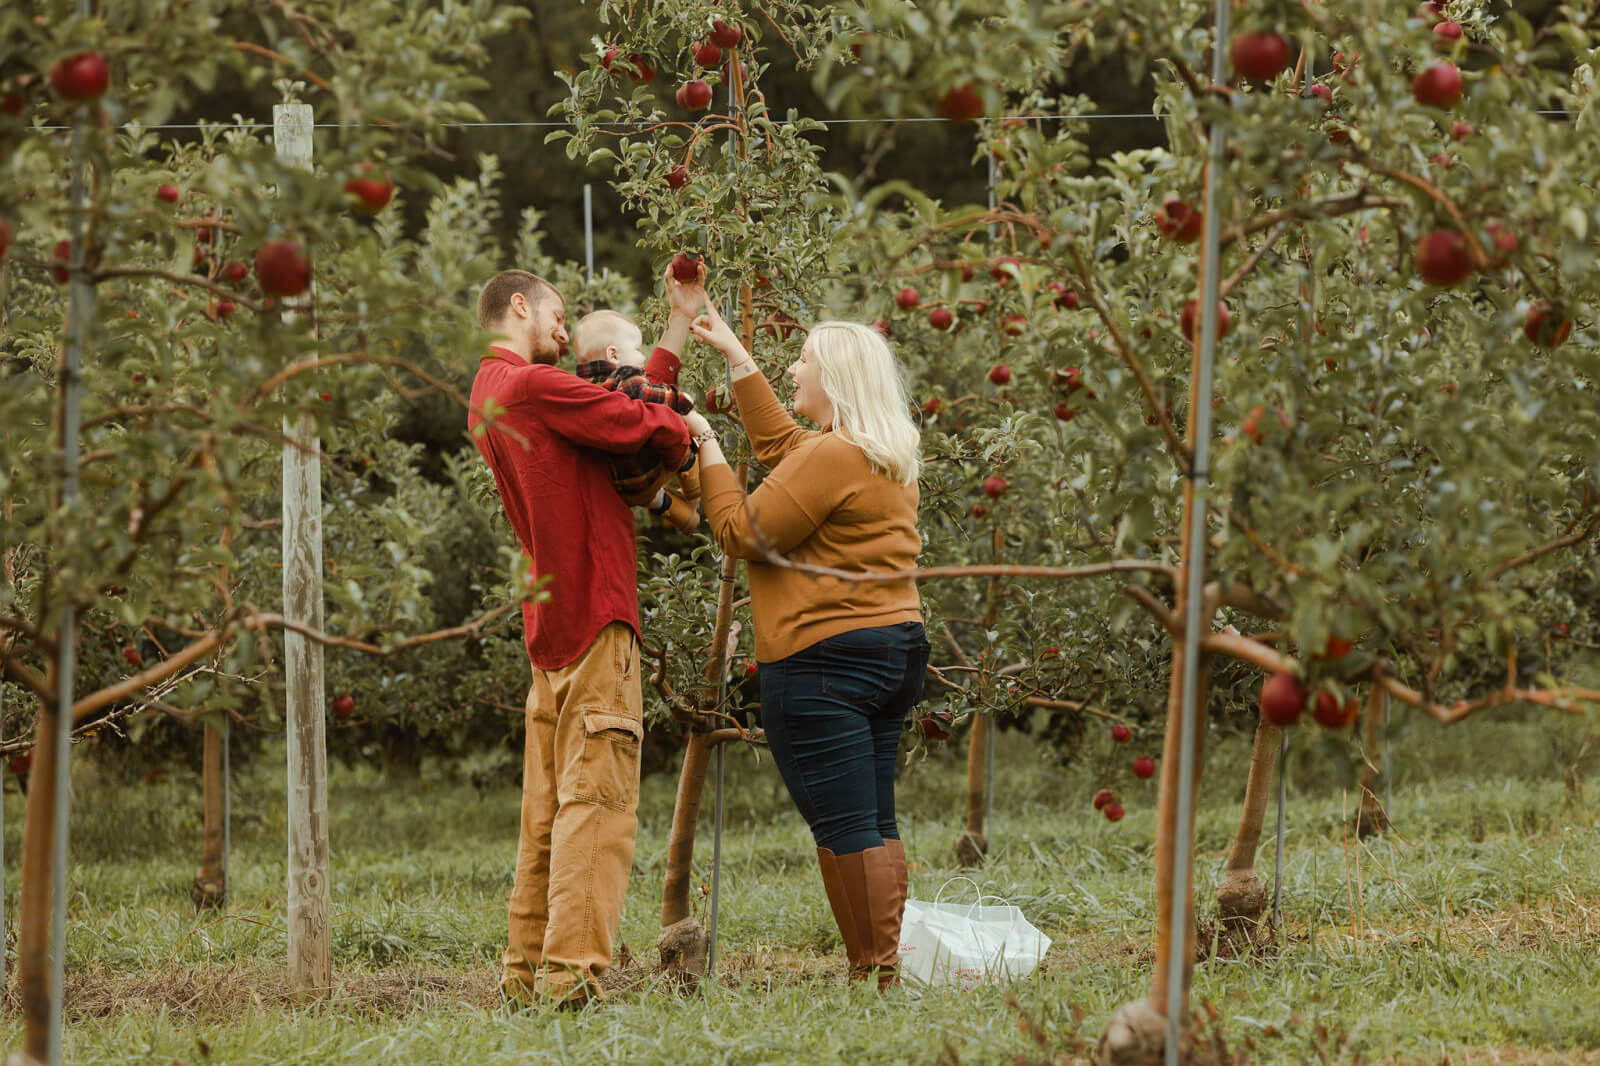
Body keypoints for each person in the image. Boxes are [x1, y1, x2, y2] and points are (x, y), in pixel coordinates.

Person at [468, 266, 704, 1007]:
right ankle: (574, 979)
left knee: (547, 811)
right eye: (559, 316)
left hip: (552, 625)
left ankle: (526, 973)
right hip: (599, 614)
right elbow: (637, 421)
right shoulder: (533, 386)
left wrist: (672, 329)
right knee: (596, 806)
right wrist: (689, 427)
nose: (566, 334)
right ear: (518, 306)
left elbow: (609, 404)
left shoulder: (488, 397)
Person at [681, 302, 931, 989]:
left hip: (825, 659)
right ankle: (881, 972)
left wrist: (704, 440)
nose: (795, 368)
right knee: (874, 817)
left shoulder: (829, 455)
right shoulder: (880, 452)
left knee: (845, 823)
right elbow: (784, 448)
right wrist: (738, 357)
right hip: (893, 648)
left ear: (837, 377)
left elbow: (740, 532)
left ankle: (874, 975)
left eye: (806, 360)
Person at [572, 308, 703, 532]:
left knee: (655, 499)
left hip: (626, 486)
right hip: (649, 469)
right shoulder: (626, 376)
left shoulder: (582, 388)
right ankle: (694, 494)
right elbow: (648, 394)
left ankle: (683, 517)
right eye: (637, 349)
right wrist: (681, 399)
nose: (642, 357)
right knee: (683, 437)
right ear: (614, 355)